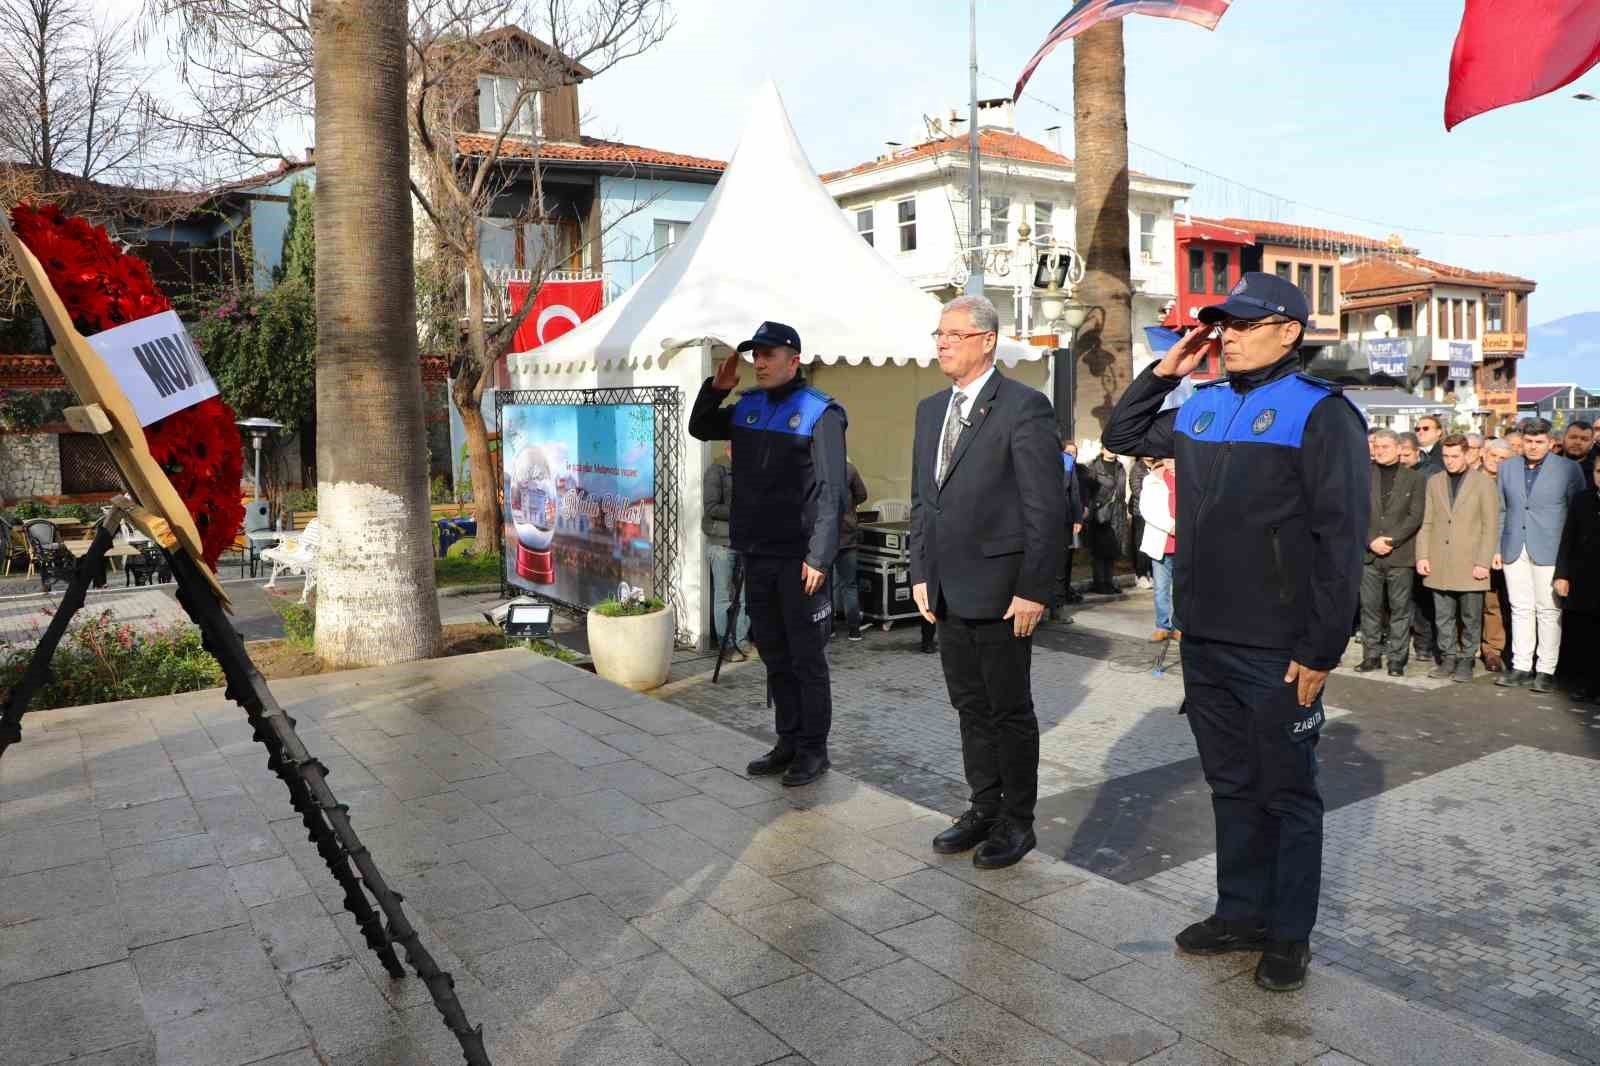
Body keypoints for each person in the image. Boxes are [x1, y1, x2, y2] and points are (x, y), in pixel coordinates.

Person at [1105, 271, 1368, 993]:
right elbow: (1121, 433)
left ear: (1289, 331)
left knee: (1287, 792)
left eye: (1243, 324)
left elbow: (1340, 540)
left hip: (1278, 647)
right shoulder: (1202, 403)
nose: (1226, 336)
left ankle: (1288, 934)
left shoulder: (1321, 413)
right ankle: (1240, 912)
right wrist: (1165, 370)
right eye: (1221, 323)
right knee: (1230, 785)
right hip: (1208, 636)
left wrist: (1320, 649)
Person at [910, 294, 1064, 870]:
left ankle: (1016, 822)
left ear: (987, 341)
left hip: (1003, 591)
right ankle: (982, 807)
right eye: (939, 333)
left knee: (1008, 710)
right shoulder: (931, 410)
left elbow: (1044, 508)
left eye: (954, 334)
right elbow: (926, 499)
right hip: (947, 589)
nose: (942, 342)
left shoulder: (1024, 407)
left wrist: (1034, 588)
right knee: (969, 707)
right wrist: (920, 571)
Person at [689, 321, 846, 786]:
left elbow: (832, 491)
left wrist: (819, 558)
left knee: (806, 658)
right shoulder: (748, 408)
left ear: (793, 359)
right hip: (756, 553)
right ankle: (788, 741)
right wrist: (715, 390)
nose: (759, 361)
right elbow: (700, 426)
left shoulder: (821, 412)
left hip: (800, 561)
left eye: (769, 354)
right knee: (773, 654)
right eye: (755, 353)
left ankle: (814, 749)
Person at [1493, 417, 1587, 693]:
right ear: (1520, 440)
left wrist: (1569, 558)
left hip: (1551, 548)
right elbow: (1502, 509)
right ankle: (1521, 665)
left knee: (1548, 610)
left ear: (1551, 442)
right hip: (1514, 546)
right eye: (1528, 441)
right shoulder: (1508, 468)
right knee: (1520, 607)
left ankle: (1546, 669)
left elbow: (1576, 514)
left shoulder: (1568, 470)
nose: (1533, 447)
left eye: (1539, 442)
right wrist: (1497, 547)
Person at [1415, 435, 1500, 683]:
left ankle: (1467, 659)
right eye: (1446, 457)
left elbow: (1490, 526)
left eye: (1455, 456)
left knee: (1471, 615)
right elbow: (1427, 521)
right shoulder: (1435, 482)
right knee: (1443, 615)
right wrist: (1422, 555)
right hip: (1439, 559)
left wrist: (1483, 561)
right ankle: (1448, 656)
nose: (1450, 462)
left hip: (1471, 560)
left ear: (1467, 455)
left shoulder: (1484, 483)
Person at [1357, 429, 1425, 676]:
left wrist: (1392, 540)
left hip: (1400, 554)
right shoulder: (1363, 475)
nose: (1379, 450)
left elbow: (1415, 515)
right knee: (1369, 608)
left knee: (1400, 609)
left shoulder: (1415, 479)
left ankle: (1397, 659)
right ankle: (1371, 655)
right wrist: (1370, 541)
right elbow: (1355, 511)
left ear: (1399, 449)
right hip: (1369, 554)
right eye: (1376, 446)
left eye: (1385, 446)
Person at [1555, 461, 1600, 701]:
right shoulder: (1582, 500)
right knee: (1584, 633)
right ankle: (1584, 684)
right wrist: (1561, 574)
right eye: (1599, 471)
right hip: (1584, 578)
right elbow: (1568, 538)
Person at [703, 441, 750, 658]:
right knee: (723, 597)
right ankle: (726, 646)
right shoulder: (716, 470)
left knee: (743, 596)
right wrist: (740, 509)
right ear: (728, 448)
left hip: (745, 542)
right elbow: (711, 507)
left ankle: (741, 641)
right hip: (721, 543)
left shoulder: (749, 470)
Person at [1479, 439, 1514, 671]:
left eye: (1504, 459)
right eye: (1494, 456)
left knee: (1493, 603)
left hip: (1497, 551)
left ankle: (1492, 649)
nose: (1498, 462)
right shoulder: (1470, 478)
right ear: (1484, 454)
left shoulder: (1510, 483)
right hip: (1469, 548)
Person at [1139, 457, 1178, 640]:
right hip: (1161, 542)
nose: (1171, 465)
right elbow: (1147, 510)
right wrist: (1170, 526)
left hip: (1184, 542)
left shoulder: (1190, 476)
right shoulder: (1151, 480)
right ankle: (1162, 625)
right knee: (1161, 587)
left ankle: (1180, 626)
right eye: (1168, 461)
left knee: (1182, 588)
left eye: (1174, 460)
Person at [833, 459, 869, 641]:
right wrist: (849, 506)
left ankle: (828, 628)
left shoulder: (817, 466)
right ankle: (854, 629)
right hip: (847, 535)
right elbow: (862, 495)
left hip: (825, 537)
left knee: (824, 587)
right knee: (849, 585)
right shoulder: (849, 469)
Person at [1052, 437, 1086, 623]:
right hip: (1038, 517)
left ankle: (1057, 608)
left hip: (1063, 518)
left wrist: (1077, 517)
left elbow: (1074, 491)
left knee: (1059, 565)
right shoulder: (1034, 455)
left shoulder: (1067, 460)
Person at [1084, 447, 1127, 595]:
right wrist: (1093, 507)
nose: (1112, 450)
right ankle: (1100, 583)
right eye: (1109, 448)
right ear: (1102, 450)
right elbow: (1088, 491)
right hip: (1100, 512)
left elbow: (1122, 492)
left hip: (1116, 512)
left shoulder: (1120, 467)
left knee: (1112, 550)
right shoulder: (1094, 466)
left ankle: (1109, 582)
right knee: (1100, 550)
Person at [1128, 456, 1153, 589]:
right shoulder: (1137, 468)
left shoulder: (1158, 466)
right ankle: (1140, 574)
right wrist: (1154, 496)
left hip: (1156, 511)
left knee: (1154, 543)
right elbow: (1136, 489)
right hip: (1140, 511)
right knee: (1141, 543)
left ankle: (1153, 573)